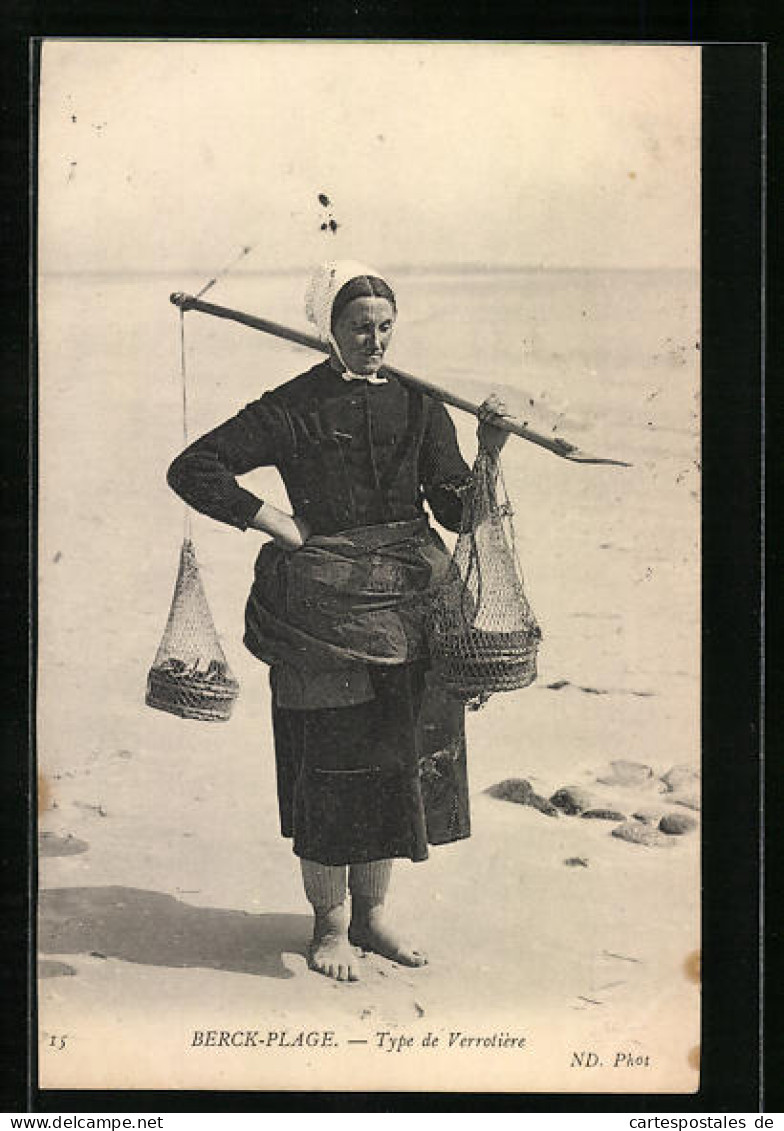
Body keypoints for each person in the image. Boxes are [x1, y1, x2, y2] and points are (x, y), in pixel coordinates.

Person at [167, 260, 509, 982]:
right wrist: (275, 521)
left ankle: (375, 916)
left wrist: (489, 454)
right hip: (320, 616)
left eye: (386, 327)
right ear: (329, 330)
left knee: (396, 767)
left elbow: (455, 510)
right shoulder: (290, 407)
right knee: (331, 769)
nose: (375, 341)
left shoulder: (421, 407)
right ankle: (330, 925)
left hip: (413, 610)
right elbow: (194, 467)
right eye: (359, 328)